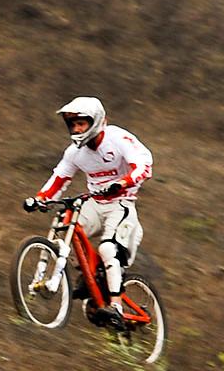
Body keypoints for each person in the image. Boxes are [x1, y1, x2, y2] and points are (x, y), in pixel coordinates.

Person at [24, 97, 153, 331]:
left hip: (121, 203)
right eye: (73, 124)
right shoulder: (75, 152)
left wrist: (123, 182)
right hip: (95, 203)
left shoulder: (116, 138)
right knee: (66, 223)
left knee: (107, 248)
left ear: (95, 121)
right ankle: (86, 276)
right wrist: (40, 199)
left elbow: (144, 164)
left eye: (81, 123)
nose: (77, 129)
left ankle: (116, 306)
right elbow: (59, 178)